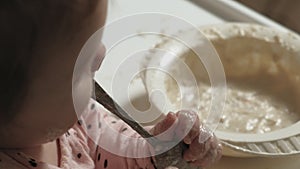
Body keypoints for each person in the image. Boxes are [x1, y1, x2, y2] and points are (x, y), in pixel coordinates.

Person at [0, 1, 222, 168]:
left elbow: (111, 151)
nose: (101, 55)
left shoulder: (75, 117)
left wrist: (156, 150)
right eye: (80, 69)